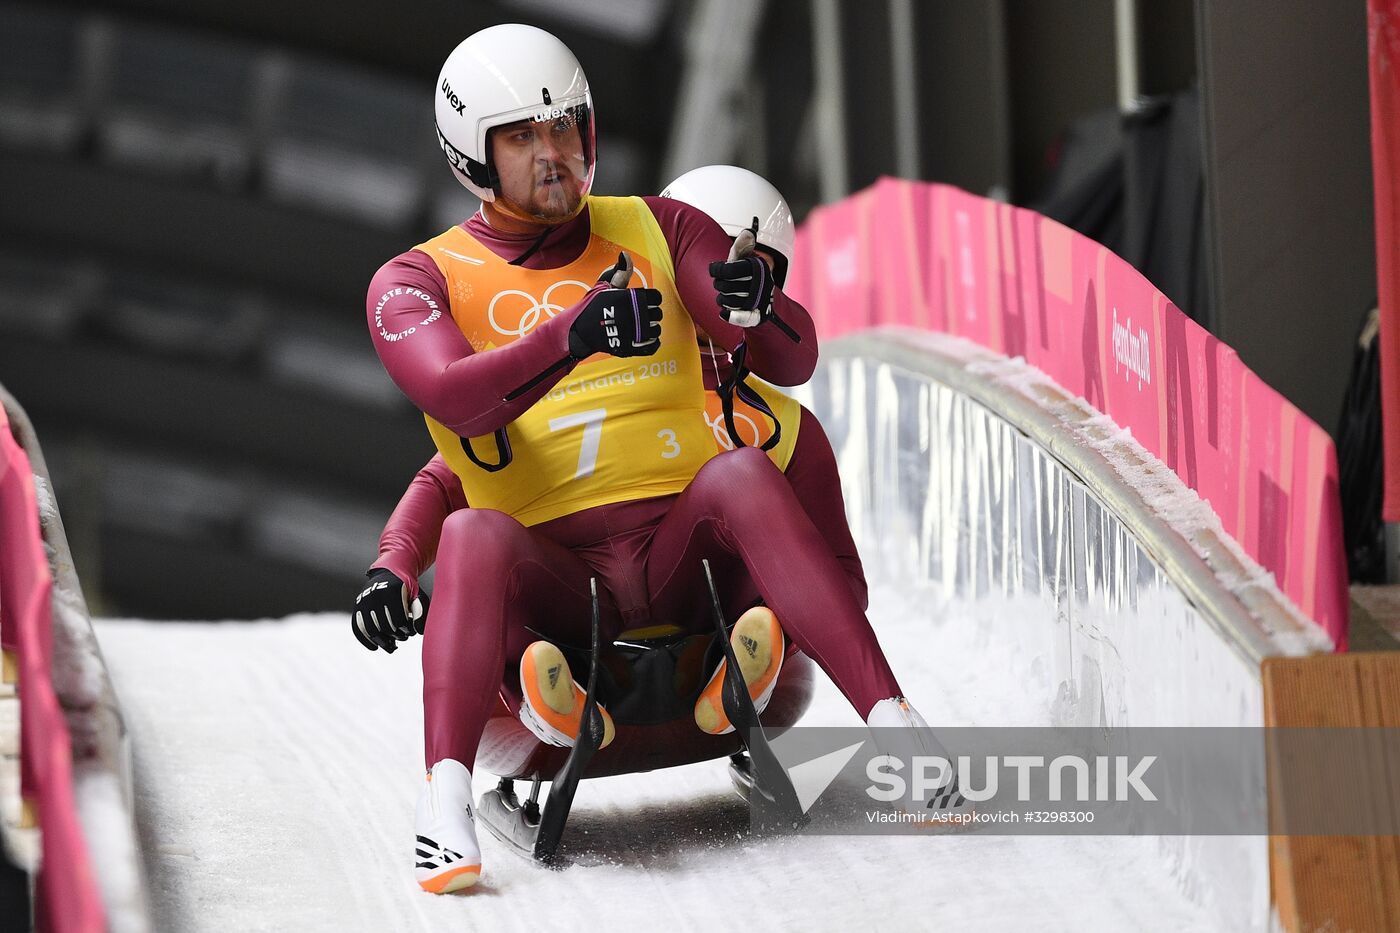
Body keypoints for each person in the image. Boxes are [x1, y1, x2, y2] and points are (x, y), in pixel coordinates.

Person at [363, 24, 932, 895]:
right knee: (476, 532)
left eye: (566, 128)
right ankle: (444, 808)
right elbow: (453, 396)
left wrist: (753, 305)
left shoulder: (658, 226)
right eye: (523, 137)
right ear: (472, 159)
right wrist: (574, 335)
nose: (554, 154)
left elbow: (789, 360)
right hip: (551, 583)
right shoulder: (414, 280)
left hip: (679, 560)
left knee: (742, 471)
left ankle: (900, 731)